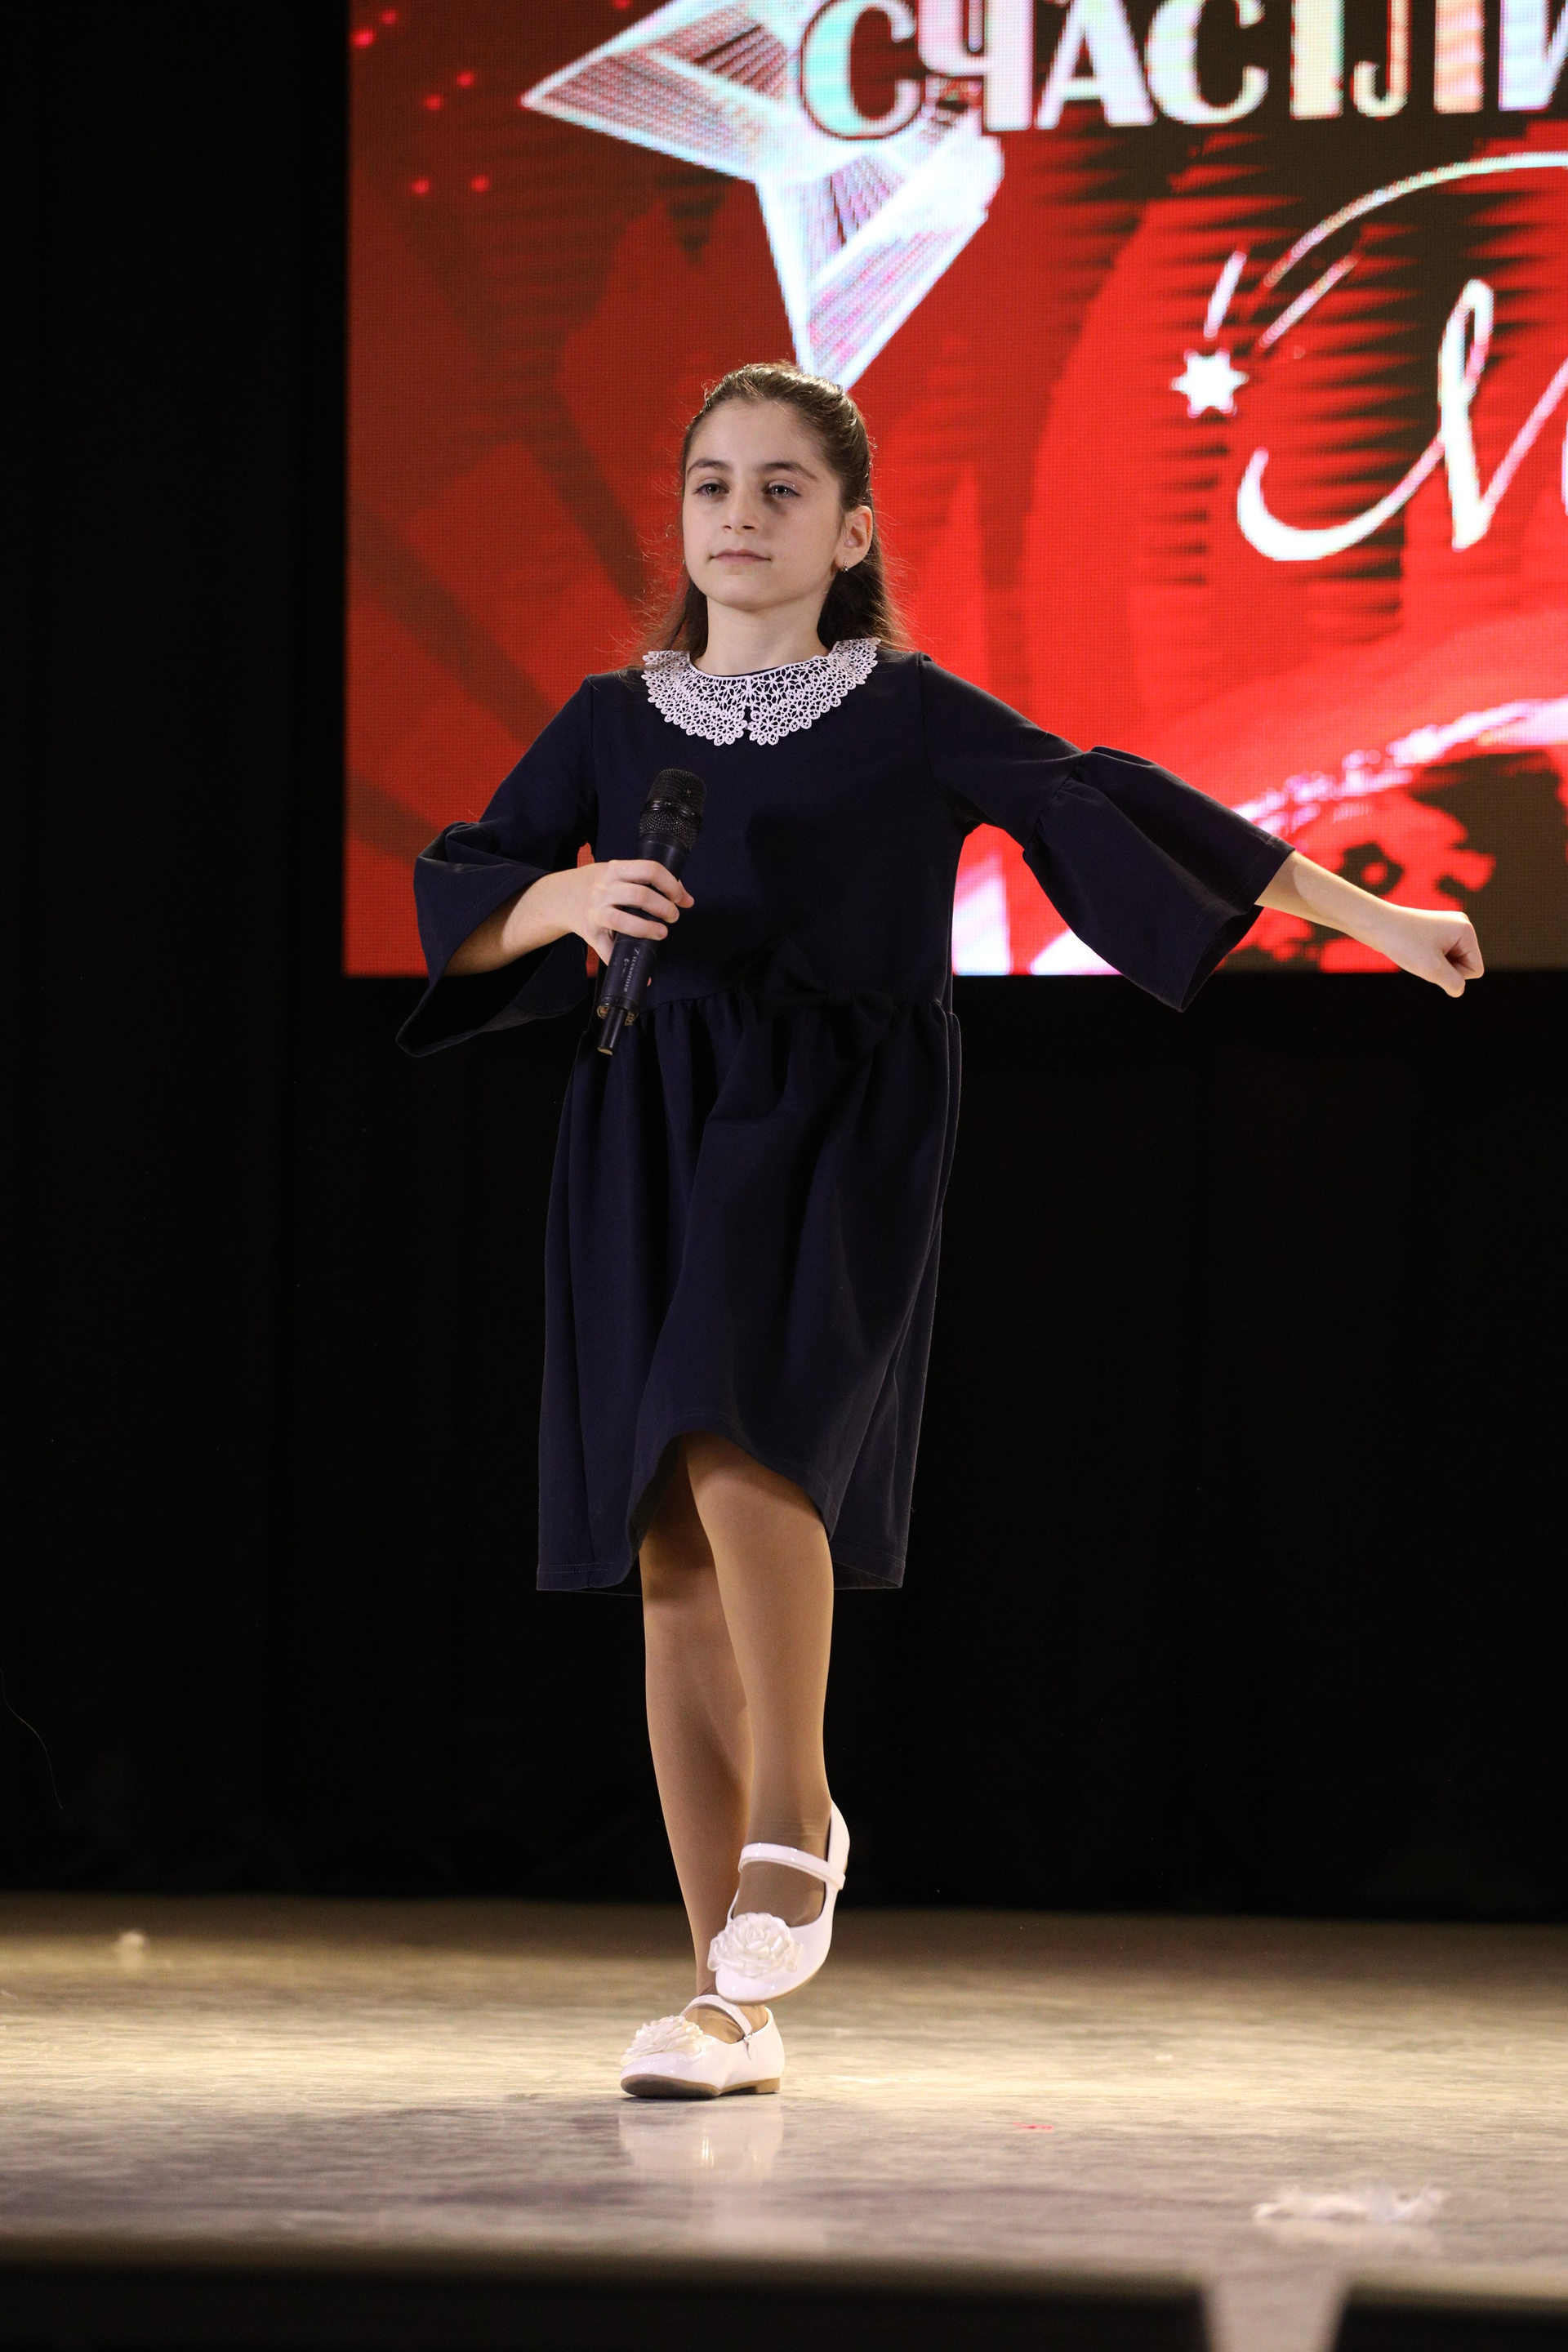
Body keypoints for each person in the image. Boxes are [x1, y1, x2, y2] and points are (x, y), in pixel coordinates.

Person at [399, 363, 1483, 2102]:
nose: (739, 516)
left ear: (852, 530)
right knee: (666, 1543)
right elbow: (469, 892)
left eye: (780, 488)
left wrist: (1374, 913)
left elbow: (1118, 803)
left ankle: (798, 1819)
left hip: (833, 1114)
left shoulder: (907, 711)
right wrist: (564, 895)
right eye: (711, 485)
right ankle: (724, 2003)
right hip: (643, 1113)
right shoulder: (611, 719)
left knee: (736, 1432)